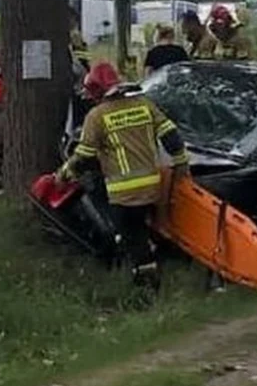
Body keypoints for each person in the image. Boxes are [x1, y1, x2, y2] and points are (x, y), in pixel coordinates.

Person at [56, 62, 190, 292]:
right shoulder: (144, 105)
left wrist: (63, 174)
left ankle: (147, 289)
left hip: (123, 193)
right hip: (152, 187)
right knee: (143, 231)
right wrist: (180, 162)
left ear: (96, 92)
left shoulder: (97, 116)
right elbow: (171, 135)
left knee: (132, 238)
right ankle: (156, 263)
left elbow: (84, 157)